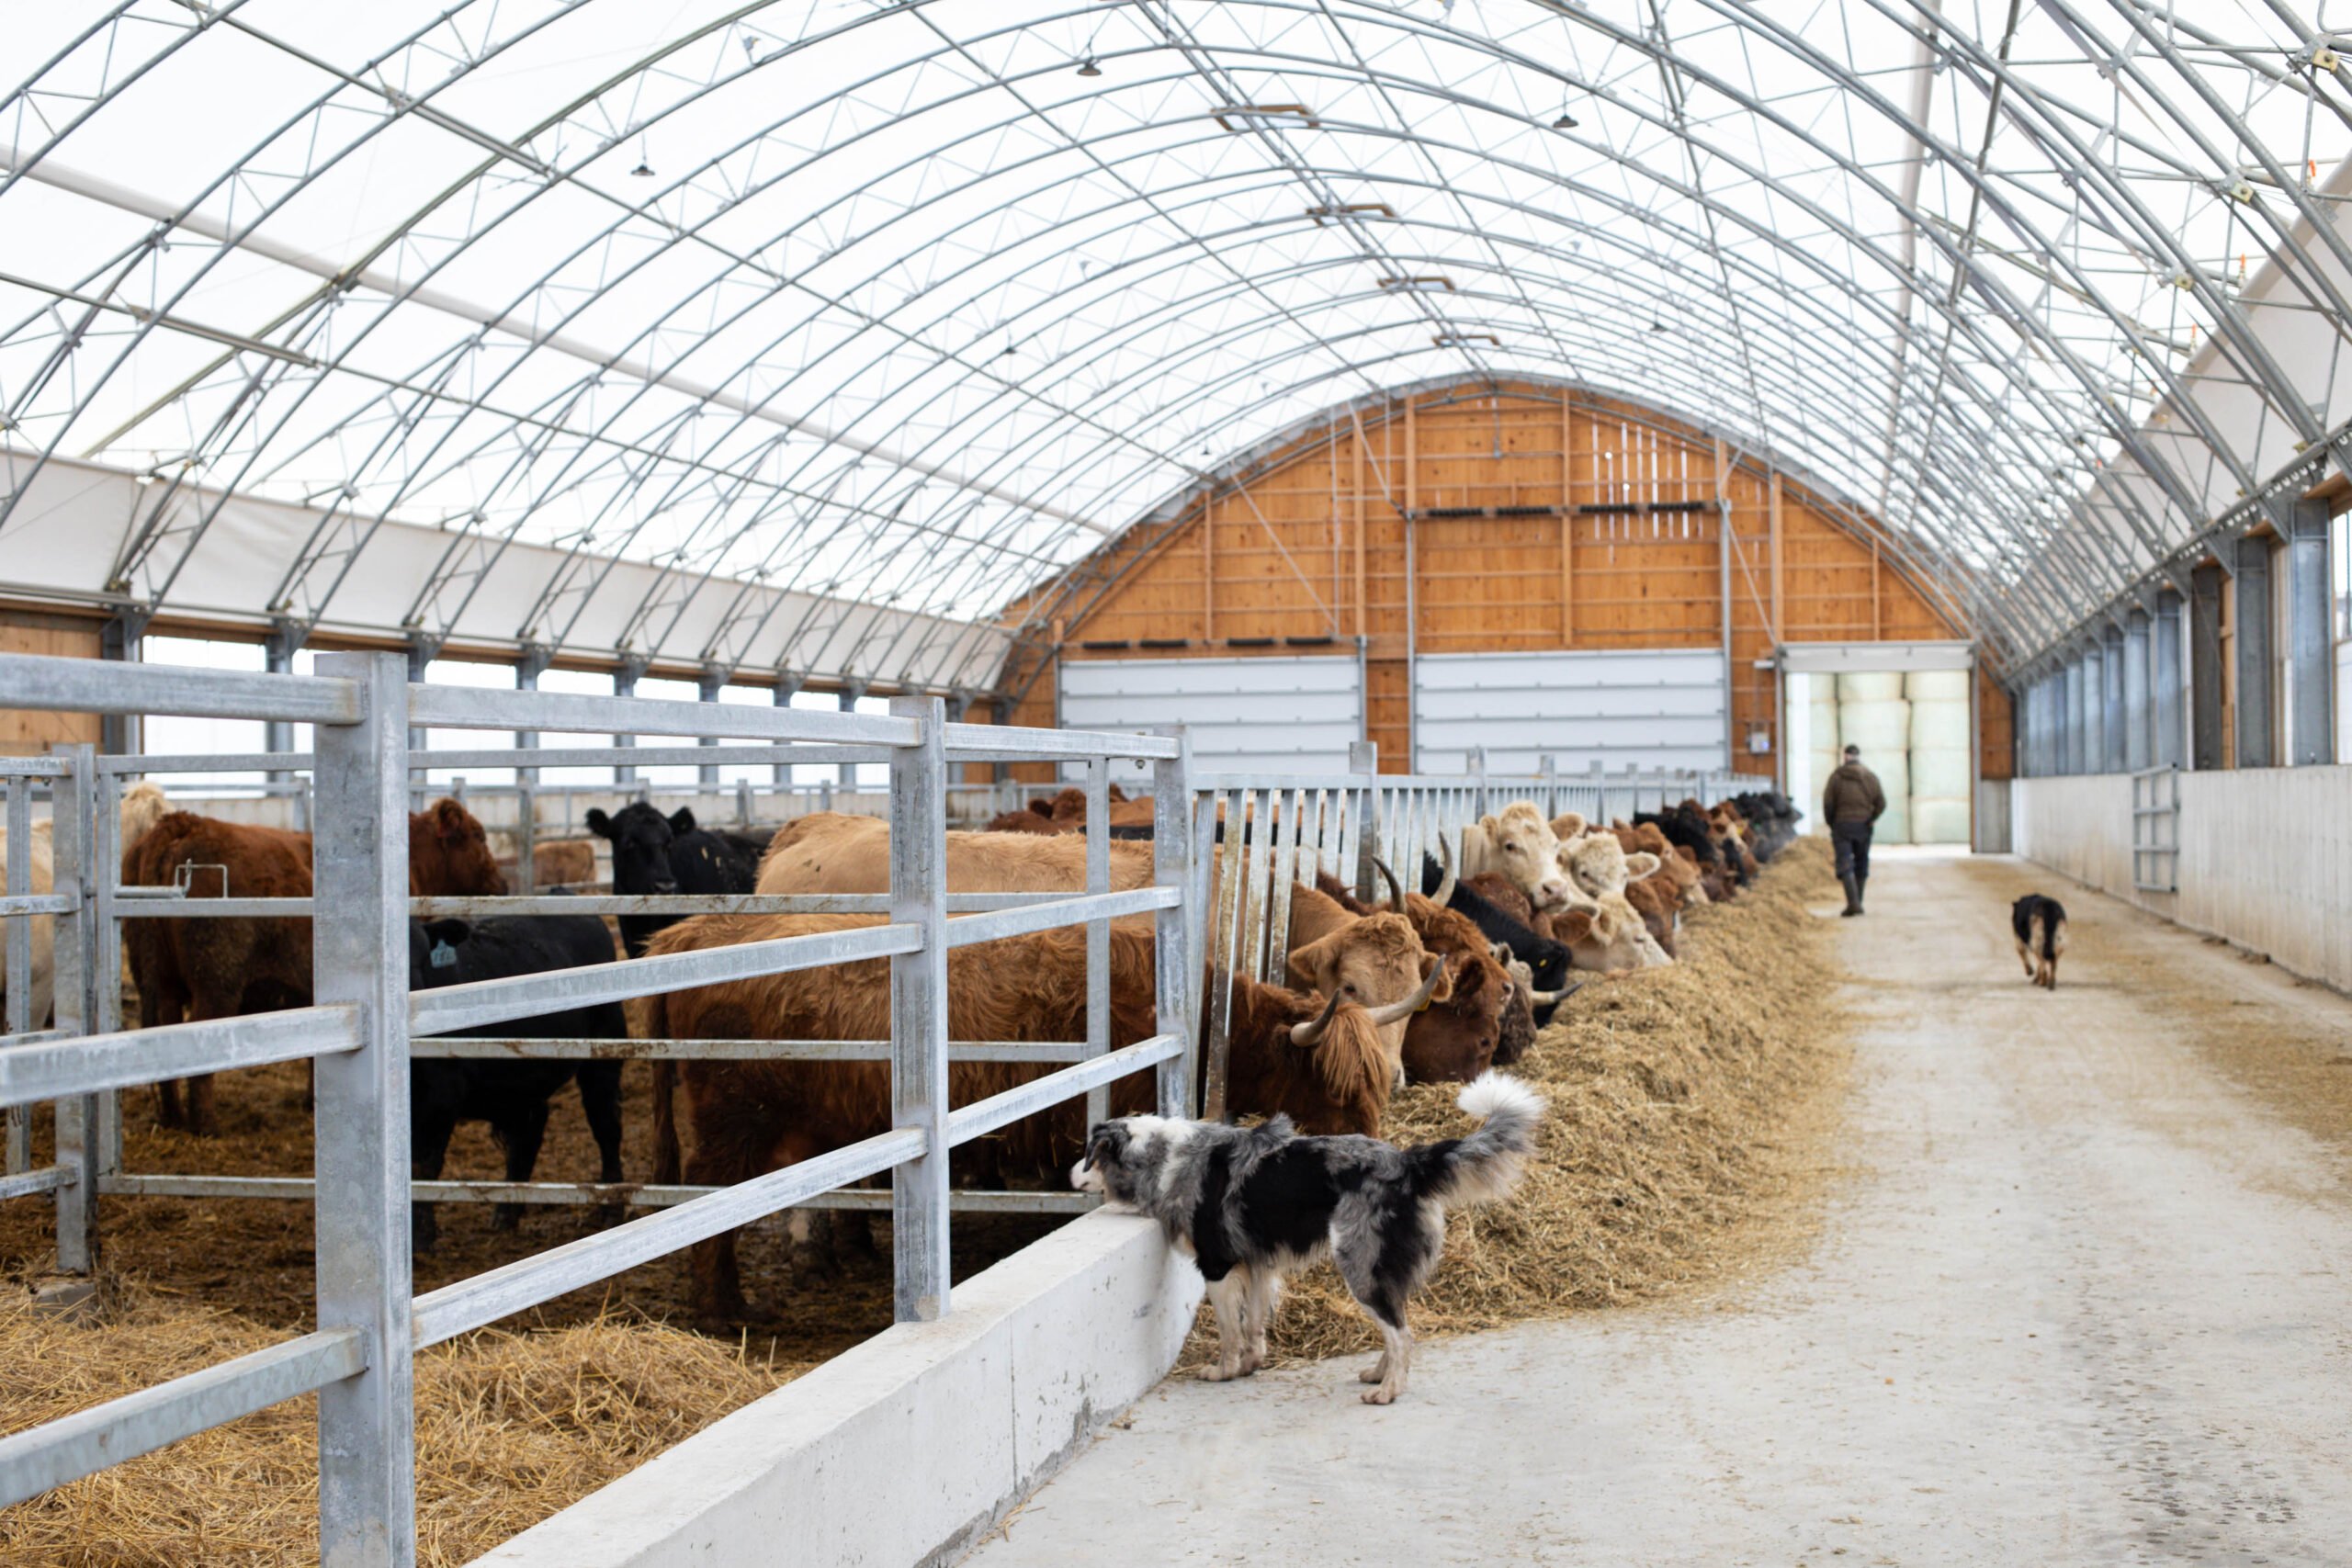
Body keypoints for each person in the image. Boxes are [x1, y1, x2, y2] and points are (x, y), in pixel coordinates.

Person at [1821, 742, 1885, 917]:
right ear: (1859, 756)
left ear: (1845, 756)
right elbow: (1881, 803)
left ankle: (1853, 903)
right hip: (1863, 825)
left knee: (1845, 862)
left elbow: (1828, 803)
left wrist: (1832, 823)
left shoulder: (1836, 777)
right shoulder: (1870, 777)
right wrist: (1871, 819)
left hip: (1842, 825)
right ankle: (1858, 902)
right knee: (1861, 862)